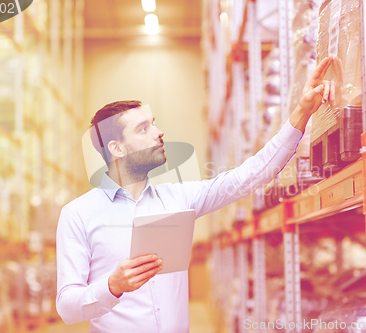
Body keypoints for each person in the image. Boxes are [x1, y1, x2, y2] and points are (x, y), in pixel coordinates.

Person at [56, 56, 334, 332]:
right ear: (117, 149)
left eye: (153, 123)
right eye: (144, 128)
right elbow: (67, 307)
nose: (159, 133)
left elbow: (252, 175)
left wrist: (301, 112)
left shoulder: (178, 199)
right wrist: (112, 286)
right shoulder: (78, 215)